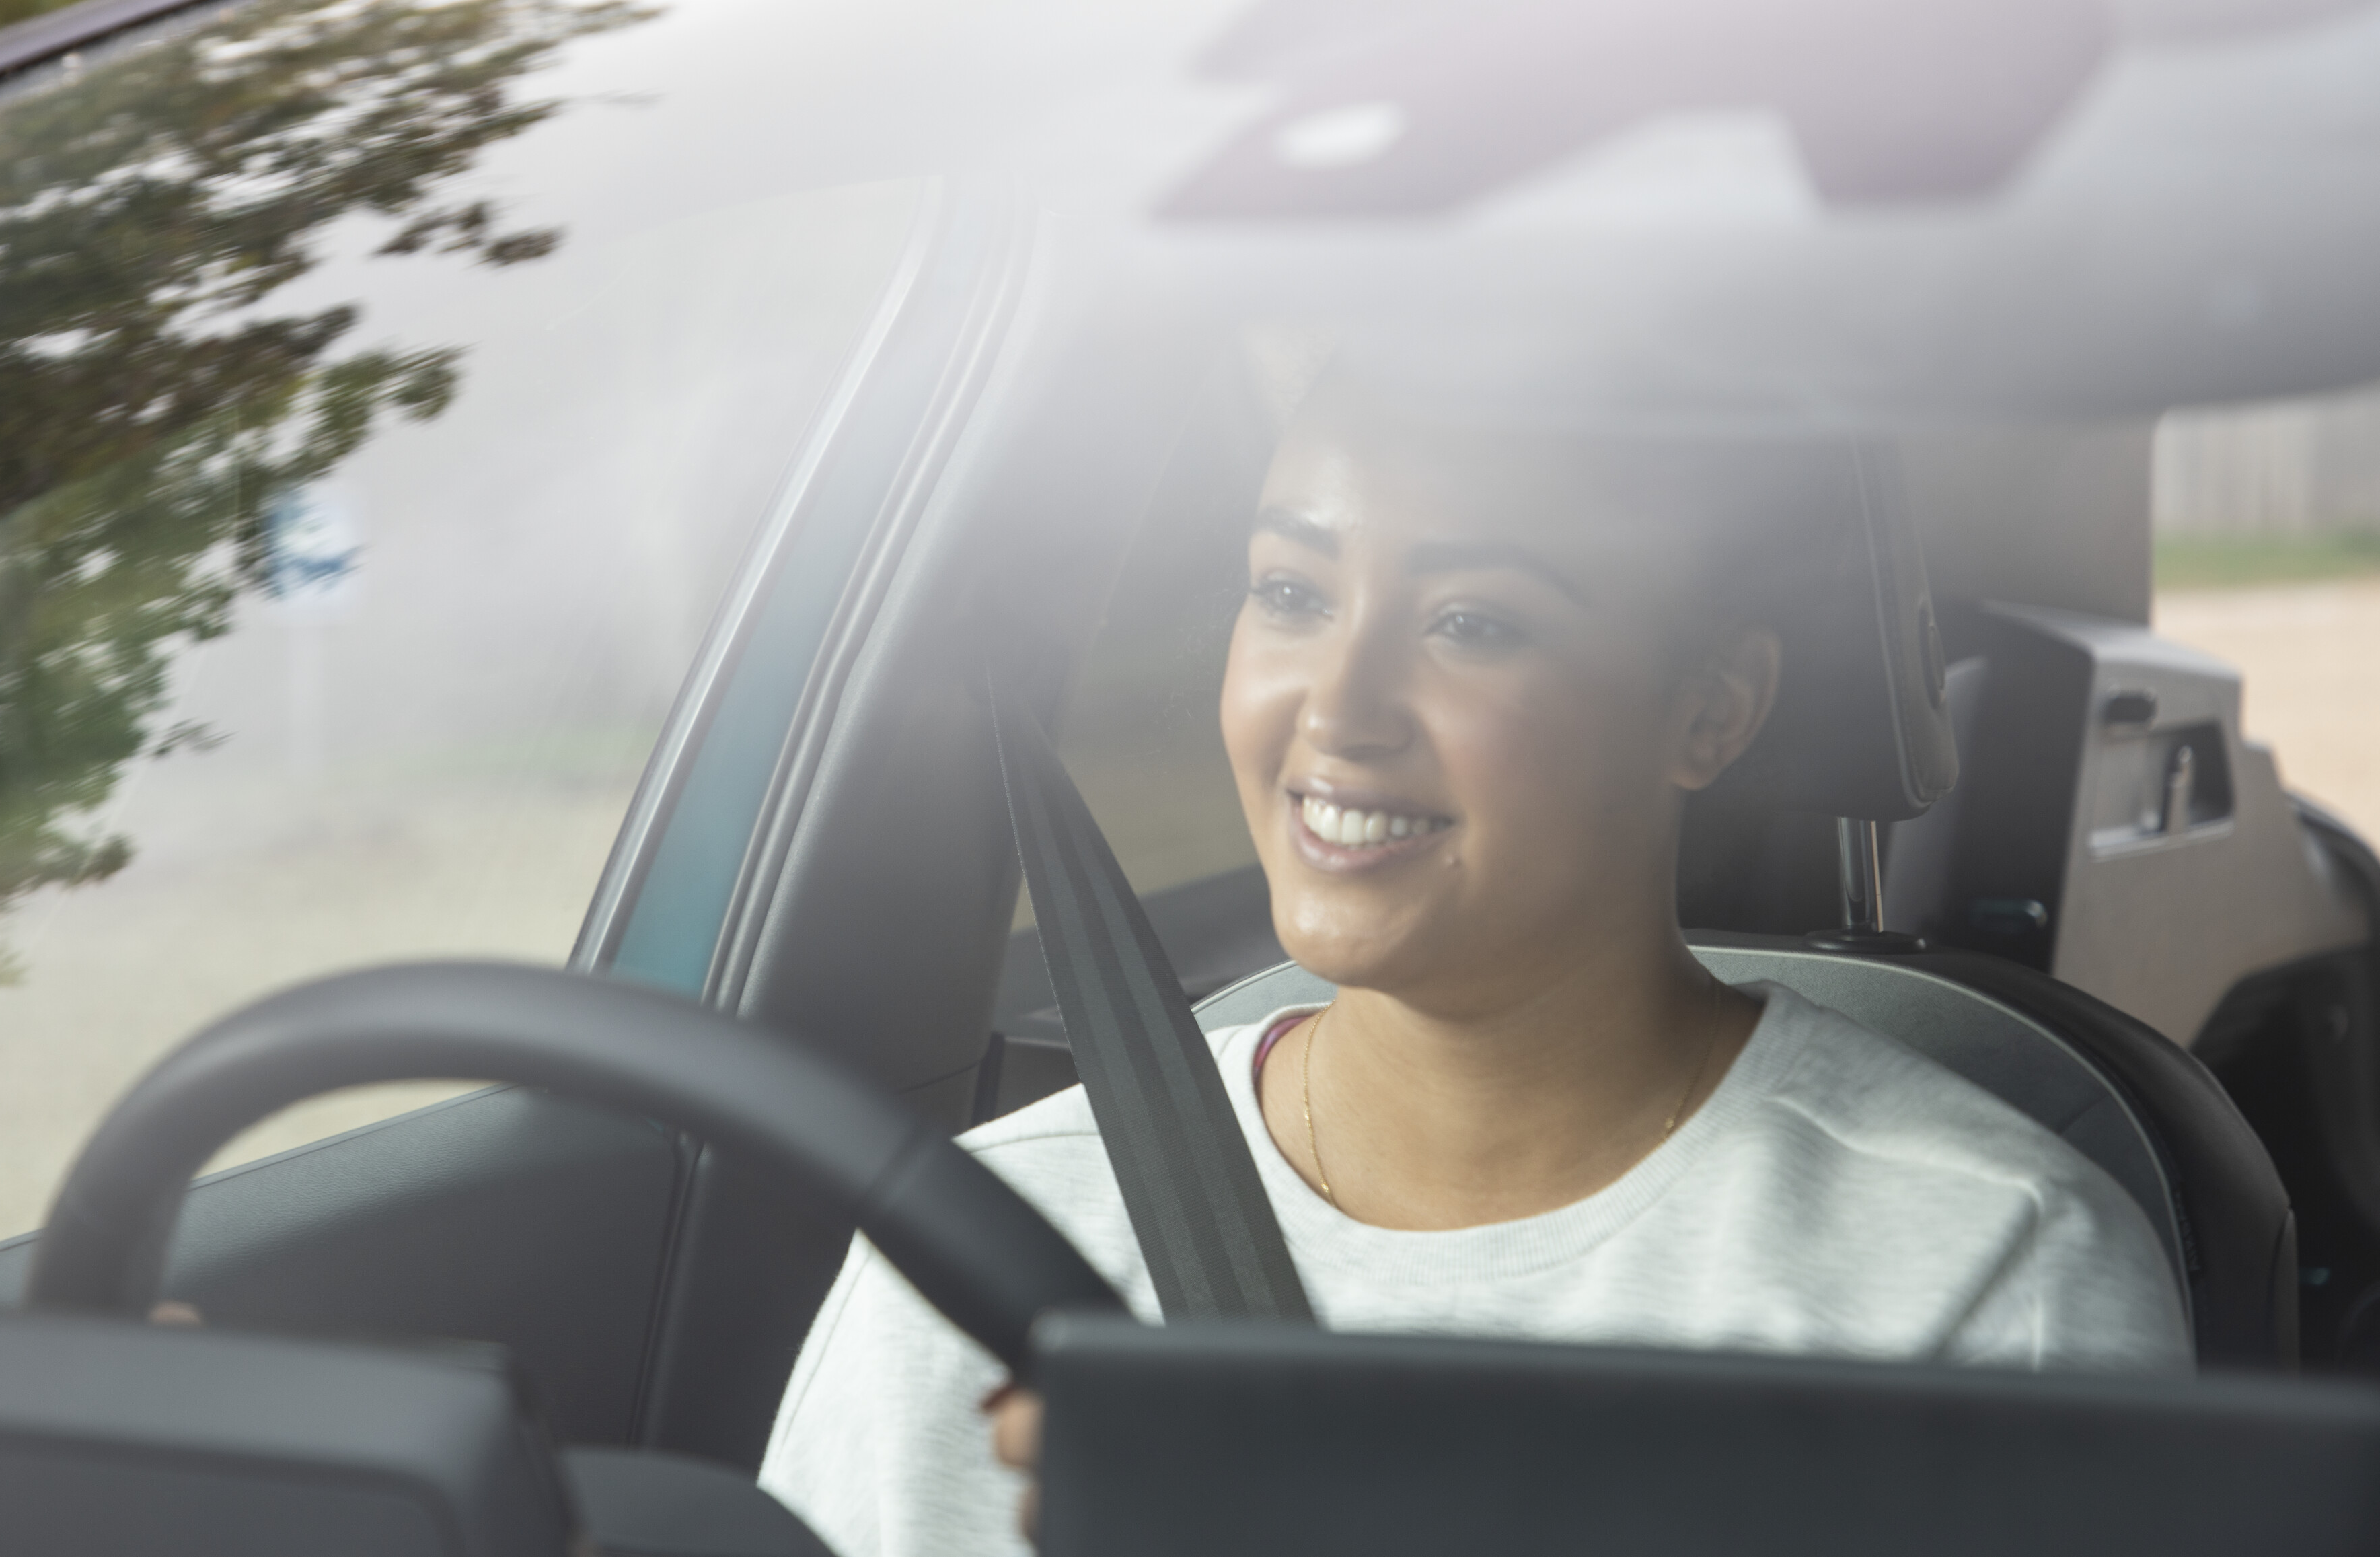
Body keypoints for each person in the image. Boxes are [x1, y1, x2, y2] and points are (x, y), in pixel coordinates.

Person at [758, 373, 2189, 1557]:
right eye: (1290, 591)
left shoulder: (1982, 1274)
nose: (1338, 705)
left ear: (1710, 704)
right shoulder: (983, 1243)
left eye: (1470, 621)